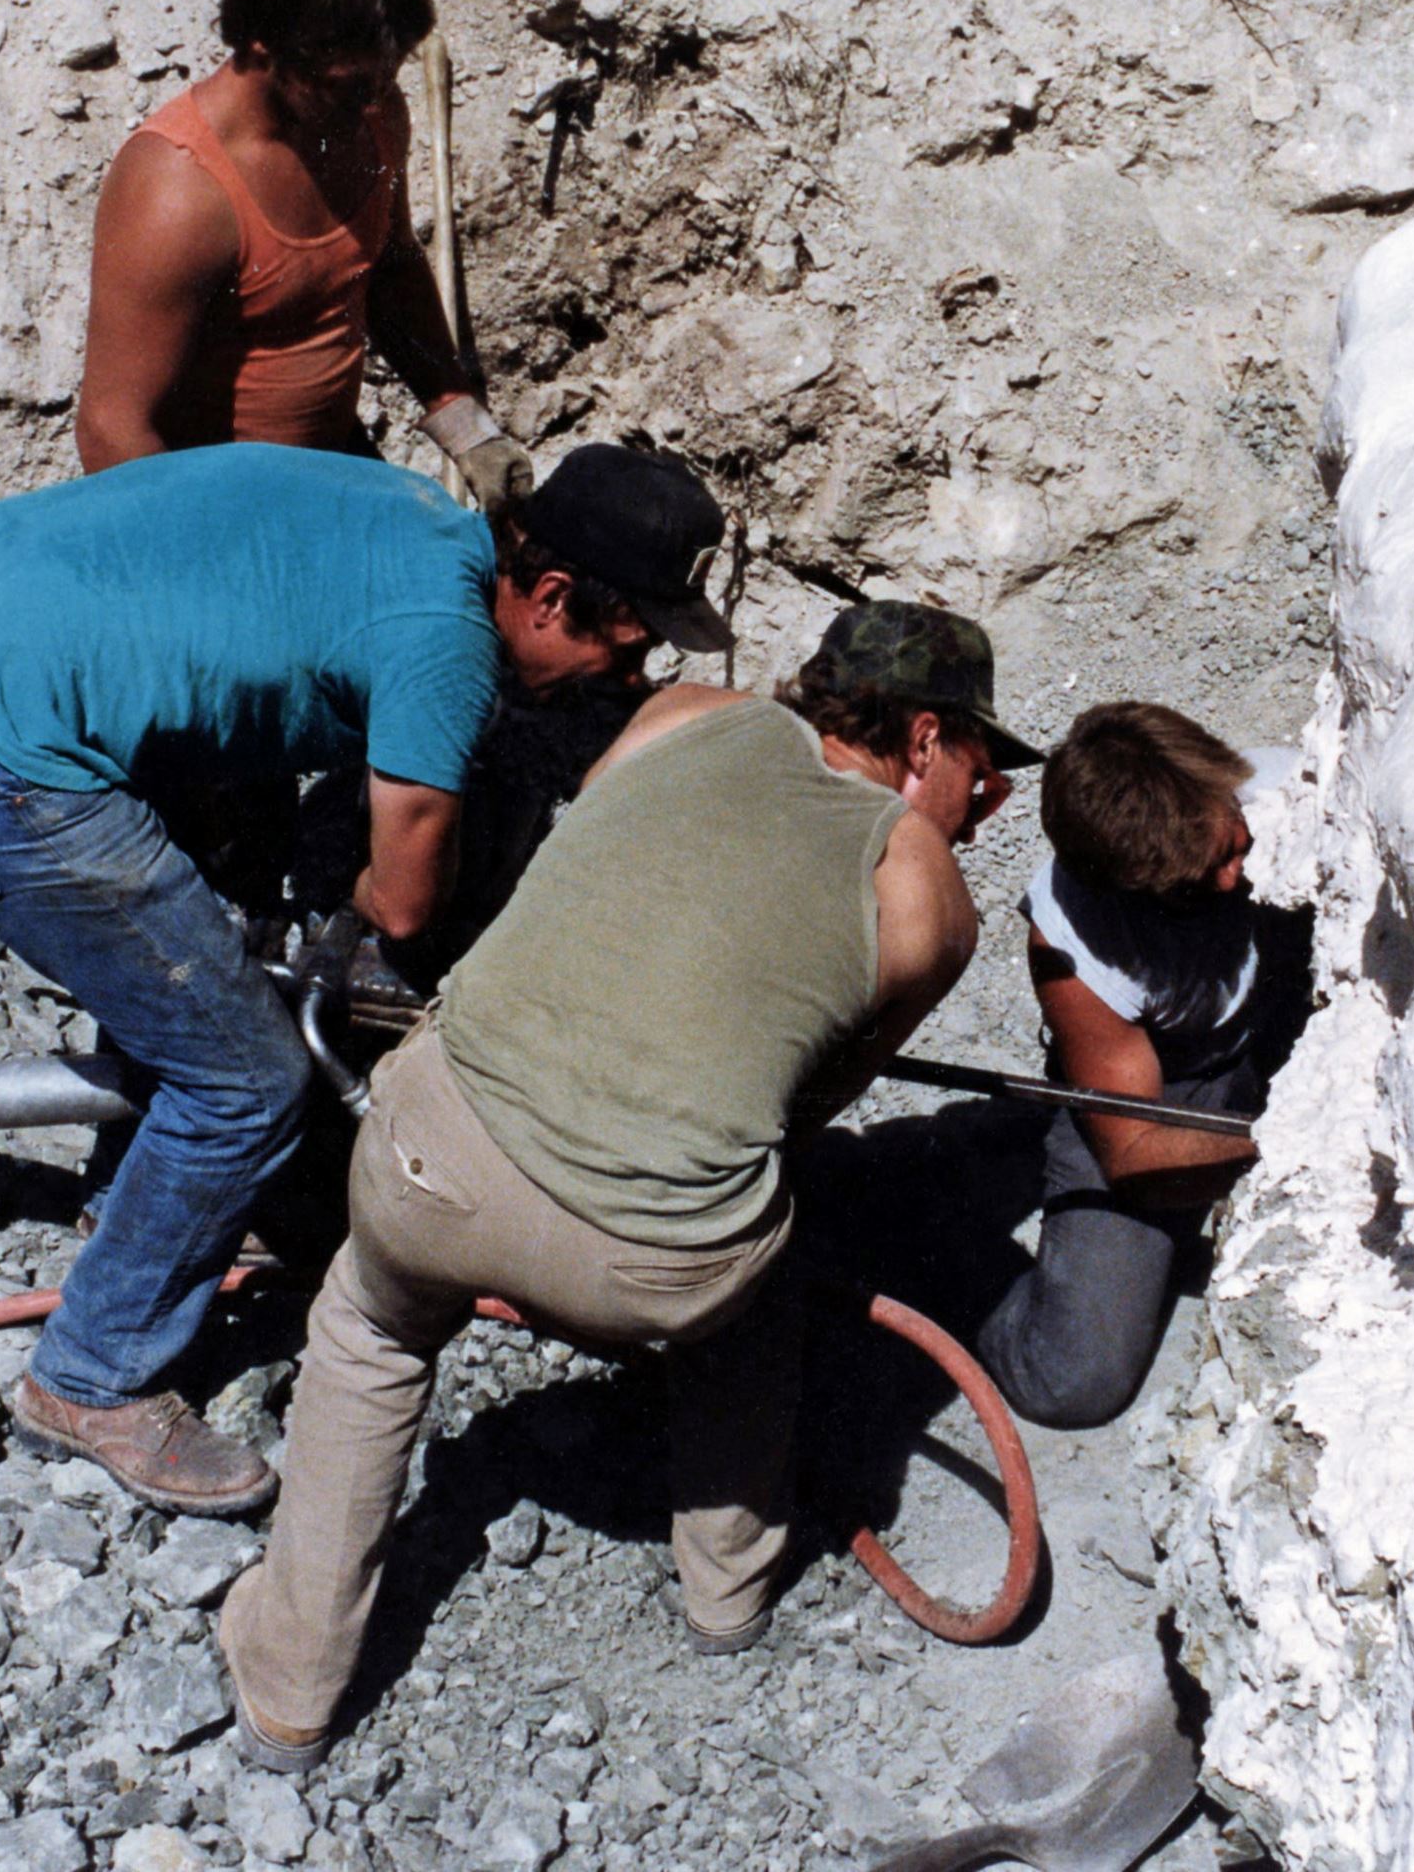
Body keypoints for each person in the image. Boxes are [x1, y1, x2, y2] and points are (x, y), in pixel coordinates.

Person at [217, 599, 1039, 1772]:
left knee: (368, 1330)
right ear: (920, 739)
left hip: (425, 1161)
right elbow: (801, 1111)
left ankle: (288, 1691)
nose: (984, 793)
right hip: (650, 1266)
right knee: (757, 1282)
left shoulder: (679, 715)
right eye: (977, 760)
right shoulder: (927, 899)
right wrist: (929, 843)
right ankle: (727, 1594)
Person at [0, 440, 729, 1513]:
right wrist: (355, 928)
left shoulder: (415, 514)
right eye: (625, 651)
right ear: (548, 595)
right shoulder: (441, 645)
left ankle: (136, 1203)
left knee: (210, 941)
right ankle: (91, 1374)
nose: (626, 682)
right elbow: (403, 902)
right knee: (243, 1082)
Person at [74, 0, 529, 505]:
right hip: (216, 500)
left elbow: (389, 265)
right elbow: (113, 429)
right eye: (351, 85)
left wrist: (464, 422)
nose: (378, 102)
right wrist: (205, 568)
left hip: (331, 466)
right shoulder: (179, 191)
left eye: (387, 74)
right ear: (265, 47)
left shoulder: (368, 116)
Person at [972, 702, 1303, 1430]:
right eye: (1194, 882)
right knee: (1072, 1382)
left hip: (1273, 1024)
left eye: (1234, 848)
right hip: (1162, 1087)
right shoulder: (1073, 944)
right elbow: (1134, 1154)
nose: (1230, 880)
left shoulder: (1290, 791)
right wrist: (1296, 1138)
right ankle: (953, 1259)